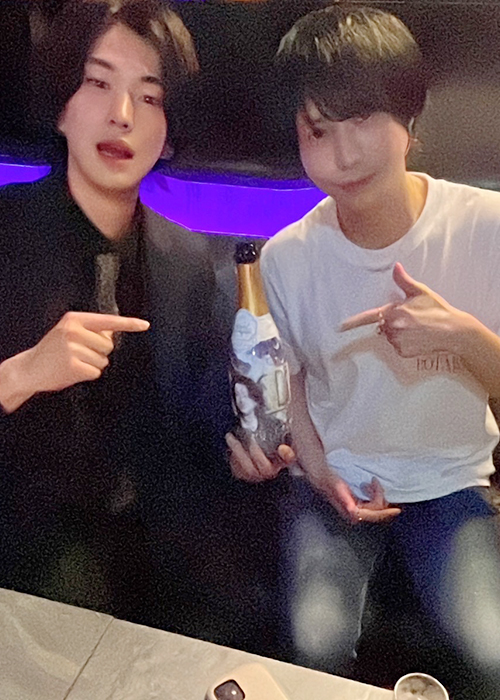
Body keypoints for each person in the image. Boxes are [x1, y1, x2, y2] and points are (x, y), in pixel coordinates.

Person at [227, 6, 500, 698]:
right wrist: (318, 470)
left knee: (494, 647)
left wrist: (463, 337)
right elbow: (287, 382)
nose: (343, 155)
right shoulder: (286, 258)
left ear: (410, 116)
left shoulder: (485, 228)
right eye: (318, 131)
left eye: (363, 119)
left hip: (449, 479)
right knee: (313, 644)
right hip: (336, 480)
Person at [0, 0, 233, 631]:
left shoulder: (189, 259)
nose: (122, 114)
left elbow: (207, 420)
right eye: (97, 82)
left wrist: (257, 446)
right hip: (33, 536)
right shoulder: (7, 231)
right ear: (61, 104)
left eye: (149, 96)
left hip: (160, 537)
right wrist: (21, 374)